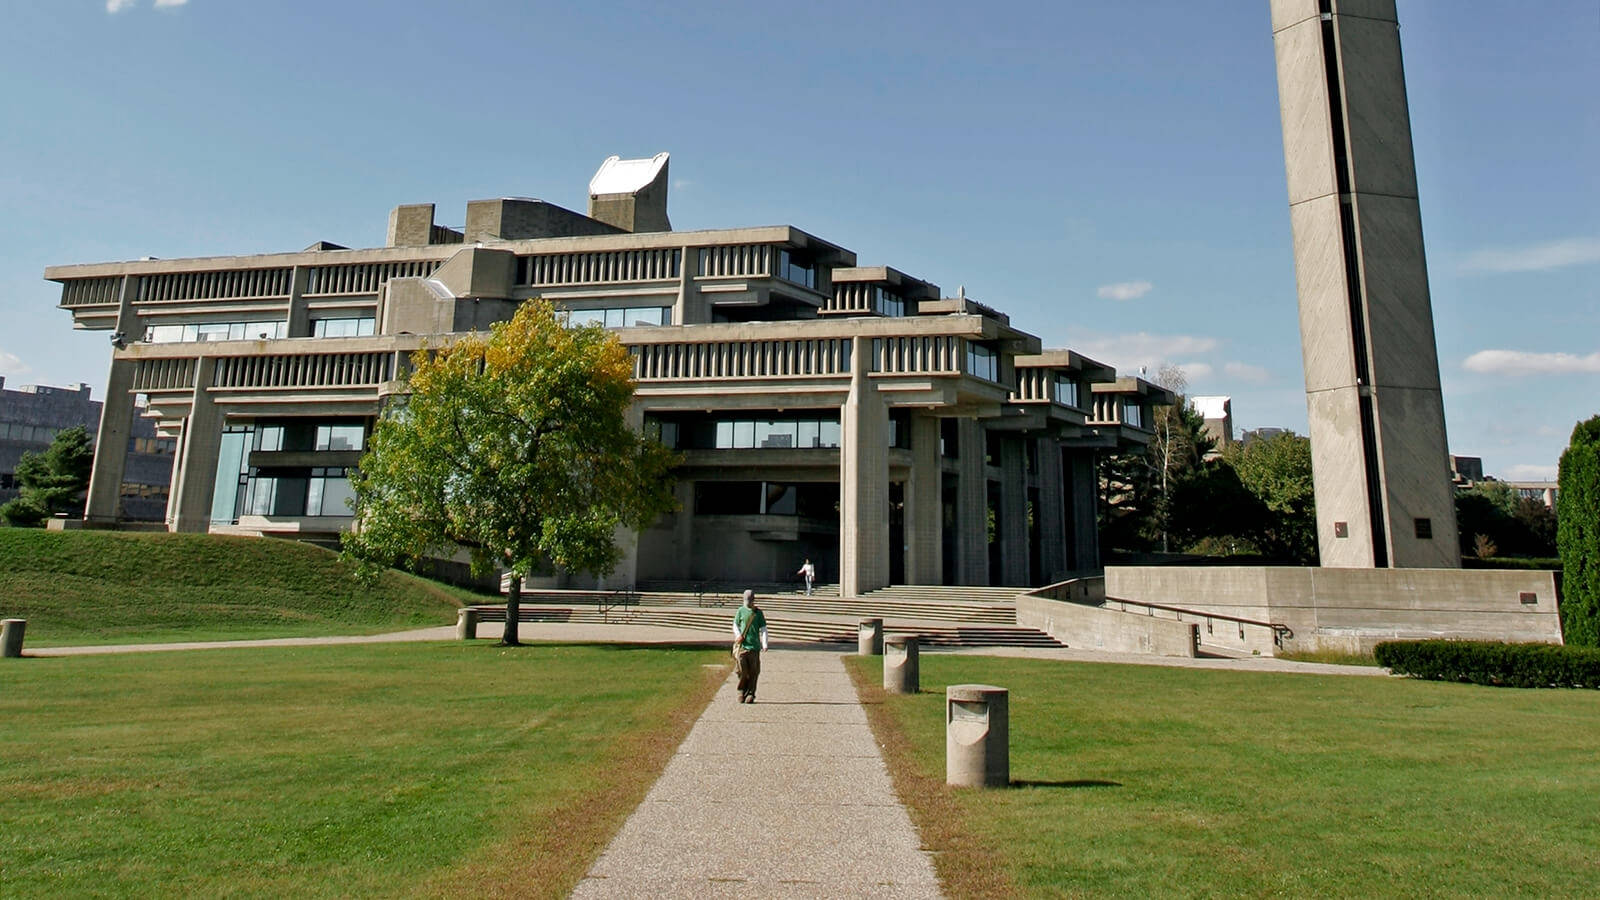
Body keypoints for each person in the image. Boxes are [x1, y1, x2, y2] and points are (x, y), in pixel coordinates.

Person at [731, 589, 768, 703]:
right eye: (747, 600)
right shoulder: (740, 611)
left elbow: (763, 629)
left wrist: (764, 644)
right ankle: (741, 690)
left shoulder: (758, 613)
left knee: (754, 671)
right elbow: (735, 625)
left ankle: (751, 693)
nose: (748, 602)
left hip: (754, 647)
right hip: (743, 646)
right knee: (742, 670)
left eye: (750, 600)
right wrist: (738, 635)